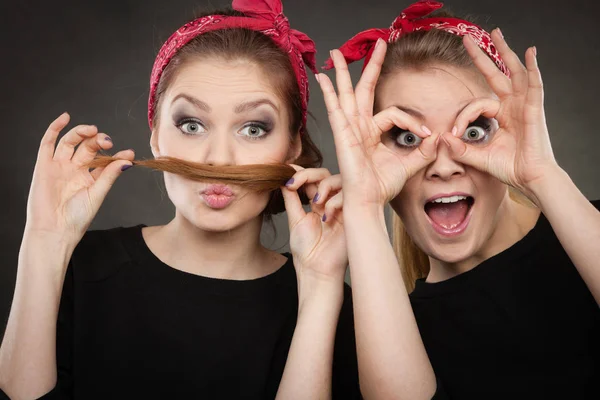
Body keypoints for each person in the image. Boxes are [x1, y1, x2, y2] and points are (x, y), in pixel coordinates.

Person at [0, 1, 360, 399]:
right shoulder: (80, 270)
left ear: (292, 147)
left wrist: (322, 292)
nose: (218, 158)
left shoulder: (329, 302)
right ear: (155, 136)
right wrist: (44, 242)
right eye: (191, 124)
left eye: (254, 129)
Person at [318, 0, 600, 398]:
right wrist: (362, 207)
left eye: (473, 129)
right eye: (408, 137)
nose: (444, 165)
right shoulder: (385, 341)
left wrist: (542, 175)